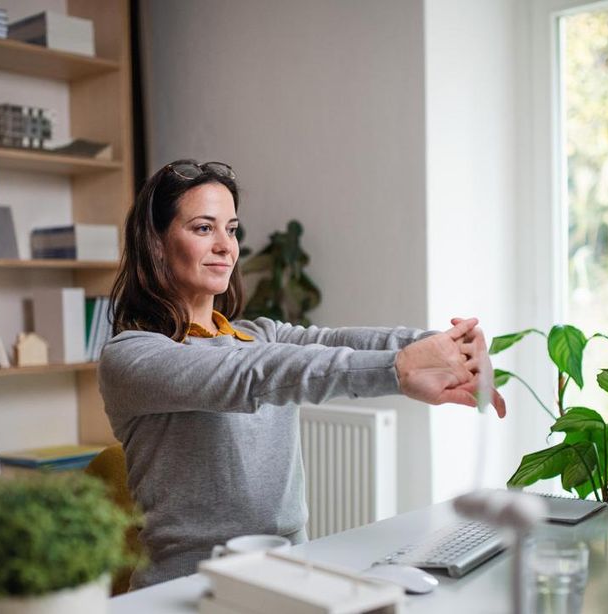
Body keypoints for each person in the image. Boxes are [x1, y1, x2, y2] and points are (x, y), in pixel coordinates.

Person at [99, 159, 507, 589]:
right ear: (157, 244)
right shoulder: (132, 357)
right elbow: (252, 375)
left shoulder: (260, 333)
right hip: (188, 587)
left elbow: (336, 342)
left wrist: (446, 343)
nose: (226, 246)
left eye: (232, 229)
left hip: (291, 572)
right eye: (203, 228)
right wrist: (399, 369)